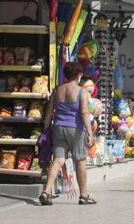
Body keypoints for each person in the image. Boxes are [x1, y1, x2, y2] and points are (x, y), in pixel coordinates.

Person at [39, 62, 96, 206]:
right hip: (76, 129)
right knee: (80, 160)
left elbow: (49, 112)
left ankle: (46, 192)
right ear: (78, 75)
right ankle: (83, 196)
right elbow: (84, 112)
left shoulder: (57, 90)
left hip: (58, 128)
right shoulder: (81, 91)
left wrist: (46, 129)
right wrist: (90, 132)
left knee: (58, 159)